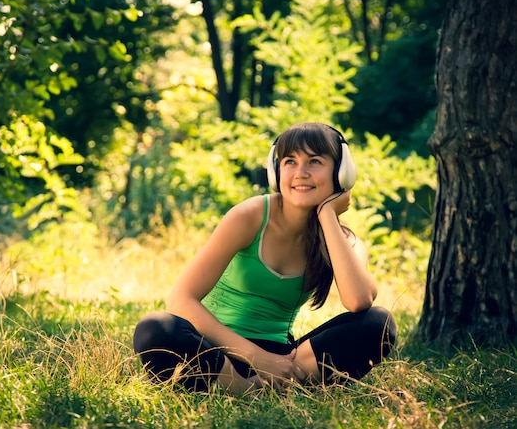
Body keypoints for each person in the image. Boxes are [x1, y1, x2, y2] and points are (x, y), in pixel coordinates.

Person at [133, 122, 396, 394]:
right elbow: (181, 300)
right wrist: (257, 358)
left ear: (342, 173)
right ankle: (247, 388)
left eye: (315, 161)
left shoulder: (345, 241)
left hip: (284, 358)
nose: (300, 173)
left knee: (378, 323)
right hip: (213, 348)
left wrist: (327, 215)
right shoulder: (251, 215)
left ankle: (261, 385)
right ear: (276, 170)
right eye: (290, 161)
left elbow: (359, 300)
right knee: (155, 328)